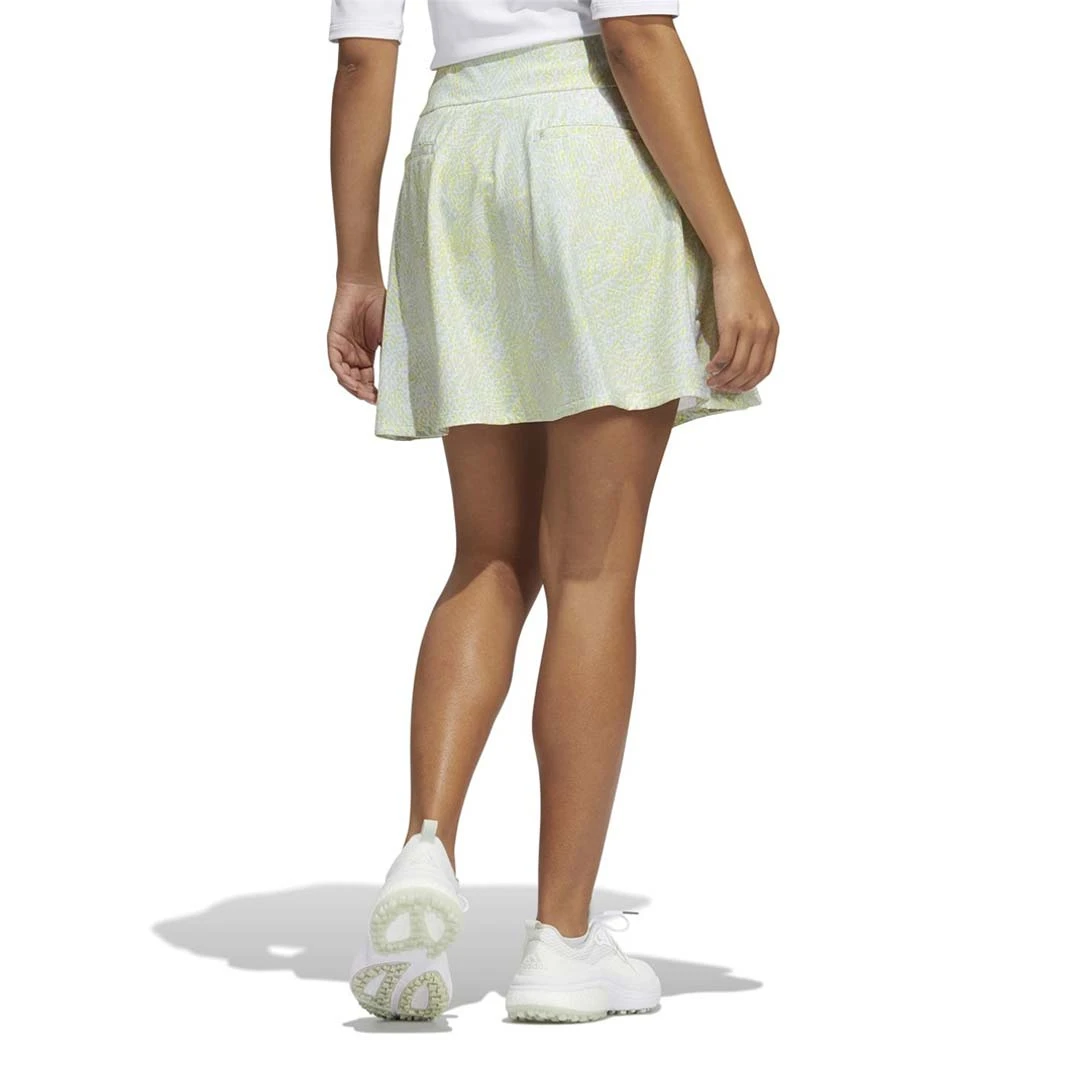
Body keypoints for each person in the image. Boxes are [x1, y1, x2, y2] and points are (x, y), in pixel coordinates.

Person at [326, 0, 778, 1023]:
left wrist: (356, 266)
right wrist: (733, 252)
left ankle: (426, 849)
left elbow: (362, 62)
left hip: (453, 160)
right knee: (591, 572)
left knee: (488, 555)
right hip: (590, 146)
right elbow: (637, 36)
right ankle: (561, 944)